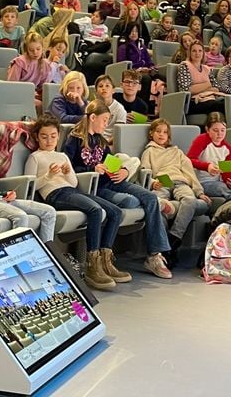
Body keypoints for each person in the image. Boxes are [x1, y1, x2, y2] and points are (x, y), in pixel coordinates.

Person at [63, 101, 172, 279]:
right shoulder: (74, 138)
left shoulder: (100, 139)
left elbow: (111, 160)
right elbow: (68, 167)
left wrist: (123, 170)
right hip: (95, 186)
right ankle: (100, 262)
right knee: (131, 202)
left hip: (113, 180)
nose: (106, 124)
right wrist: (92, 170)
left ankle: (154, 255)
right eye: (104, 120)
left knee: (150, 198)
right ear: (92, 117)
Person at [22, 115, 124, 291]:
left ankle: (106, 260)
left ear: (58, 136)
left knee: (115, 212)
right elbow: (30, 187)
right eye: (44, 136)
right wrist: (49, 176)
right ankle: (92, 264)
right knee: (95, 210)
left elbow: (74, 183)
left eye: (53, 136)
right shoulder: (35, 157)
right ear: (37, 137)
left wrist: (68, 172)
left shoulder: (62, 155)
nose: (49, 140)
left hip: (72, 191)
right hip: (55, 194)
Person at [140, 118, 211, 265]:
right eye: (158, 131)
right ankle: (164, 248)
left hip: (180, 182)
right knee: (159, 205)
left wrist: (200, 192)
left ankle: (174, 240)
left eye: (165, 132)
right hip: (162, 182)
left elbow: (190, 173)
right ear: (151, 133)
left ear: (169, 136)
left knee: (190, 200)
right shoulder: (149, 151)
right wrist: (153, 183)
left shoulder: (177, 152)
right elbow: (143, 171)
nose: (161, 134)